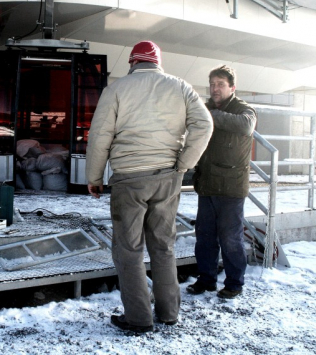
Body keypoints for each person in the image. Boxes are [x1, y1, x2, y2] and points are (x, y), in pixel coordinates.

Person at [86, 41, 213, 333]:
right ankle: (169, 313)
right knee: (163, 246)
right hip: (168, 176)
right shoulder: (180, 86)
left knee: (129, 250)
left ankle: (139, 319)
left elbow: (100, 136)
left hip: (129, 178)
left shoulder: (117, 89)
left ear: (132, 63)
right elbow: (204, 125)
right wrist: (184, 164)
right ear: (158, 63)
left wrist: (94, 177)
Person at [188, 65, 257, 299]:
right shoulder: (205, 107)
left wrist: (211, 115)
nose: (215, 88)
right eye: (212, 84)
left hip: (231, 188)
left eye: (220, 84)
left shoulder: (244, 110)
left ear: (232, 87)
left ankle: (234, 283)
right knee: (205, 236)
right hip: (206, 184)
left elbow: (246, 125)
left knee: (230, 238)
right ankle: (206, 279)